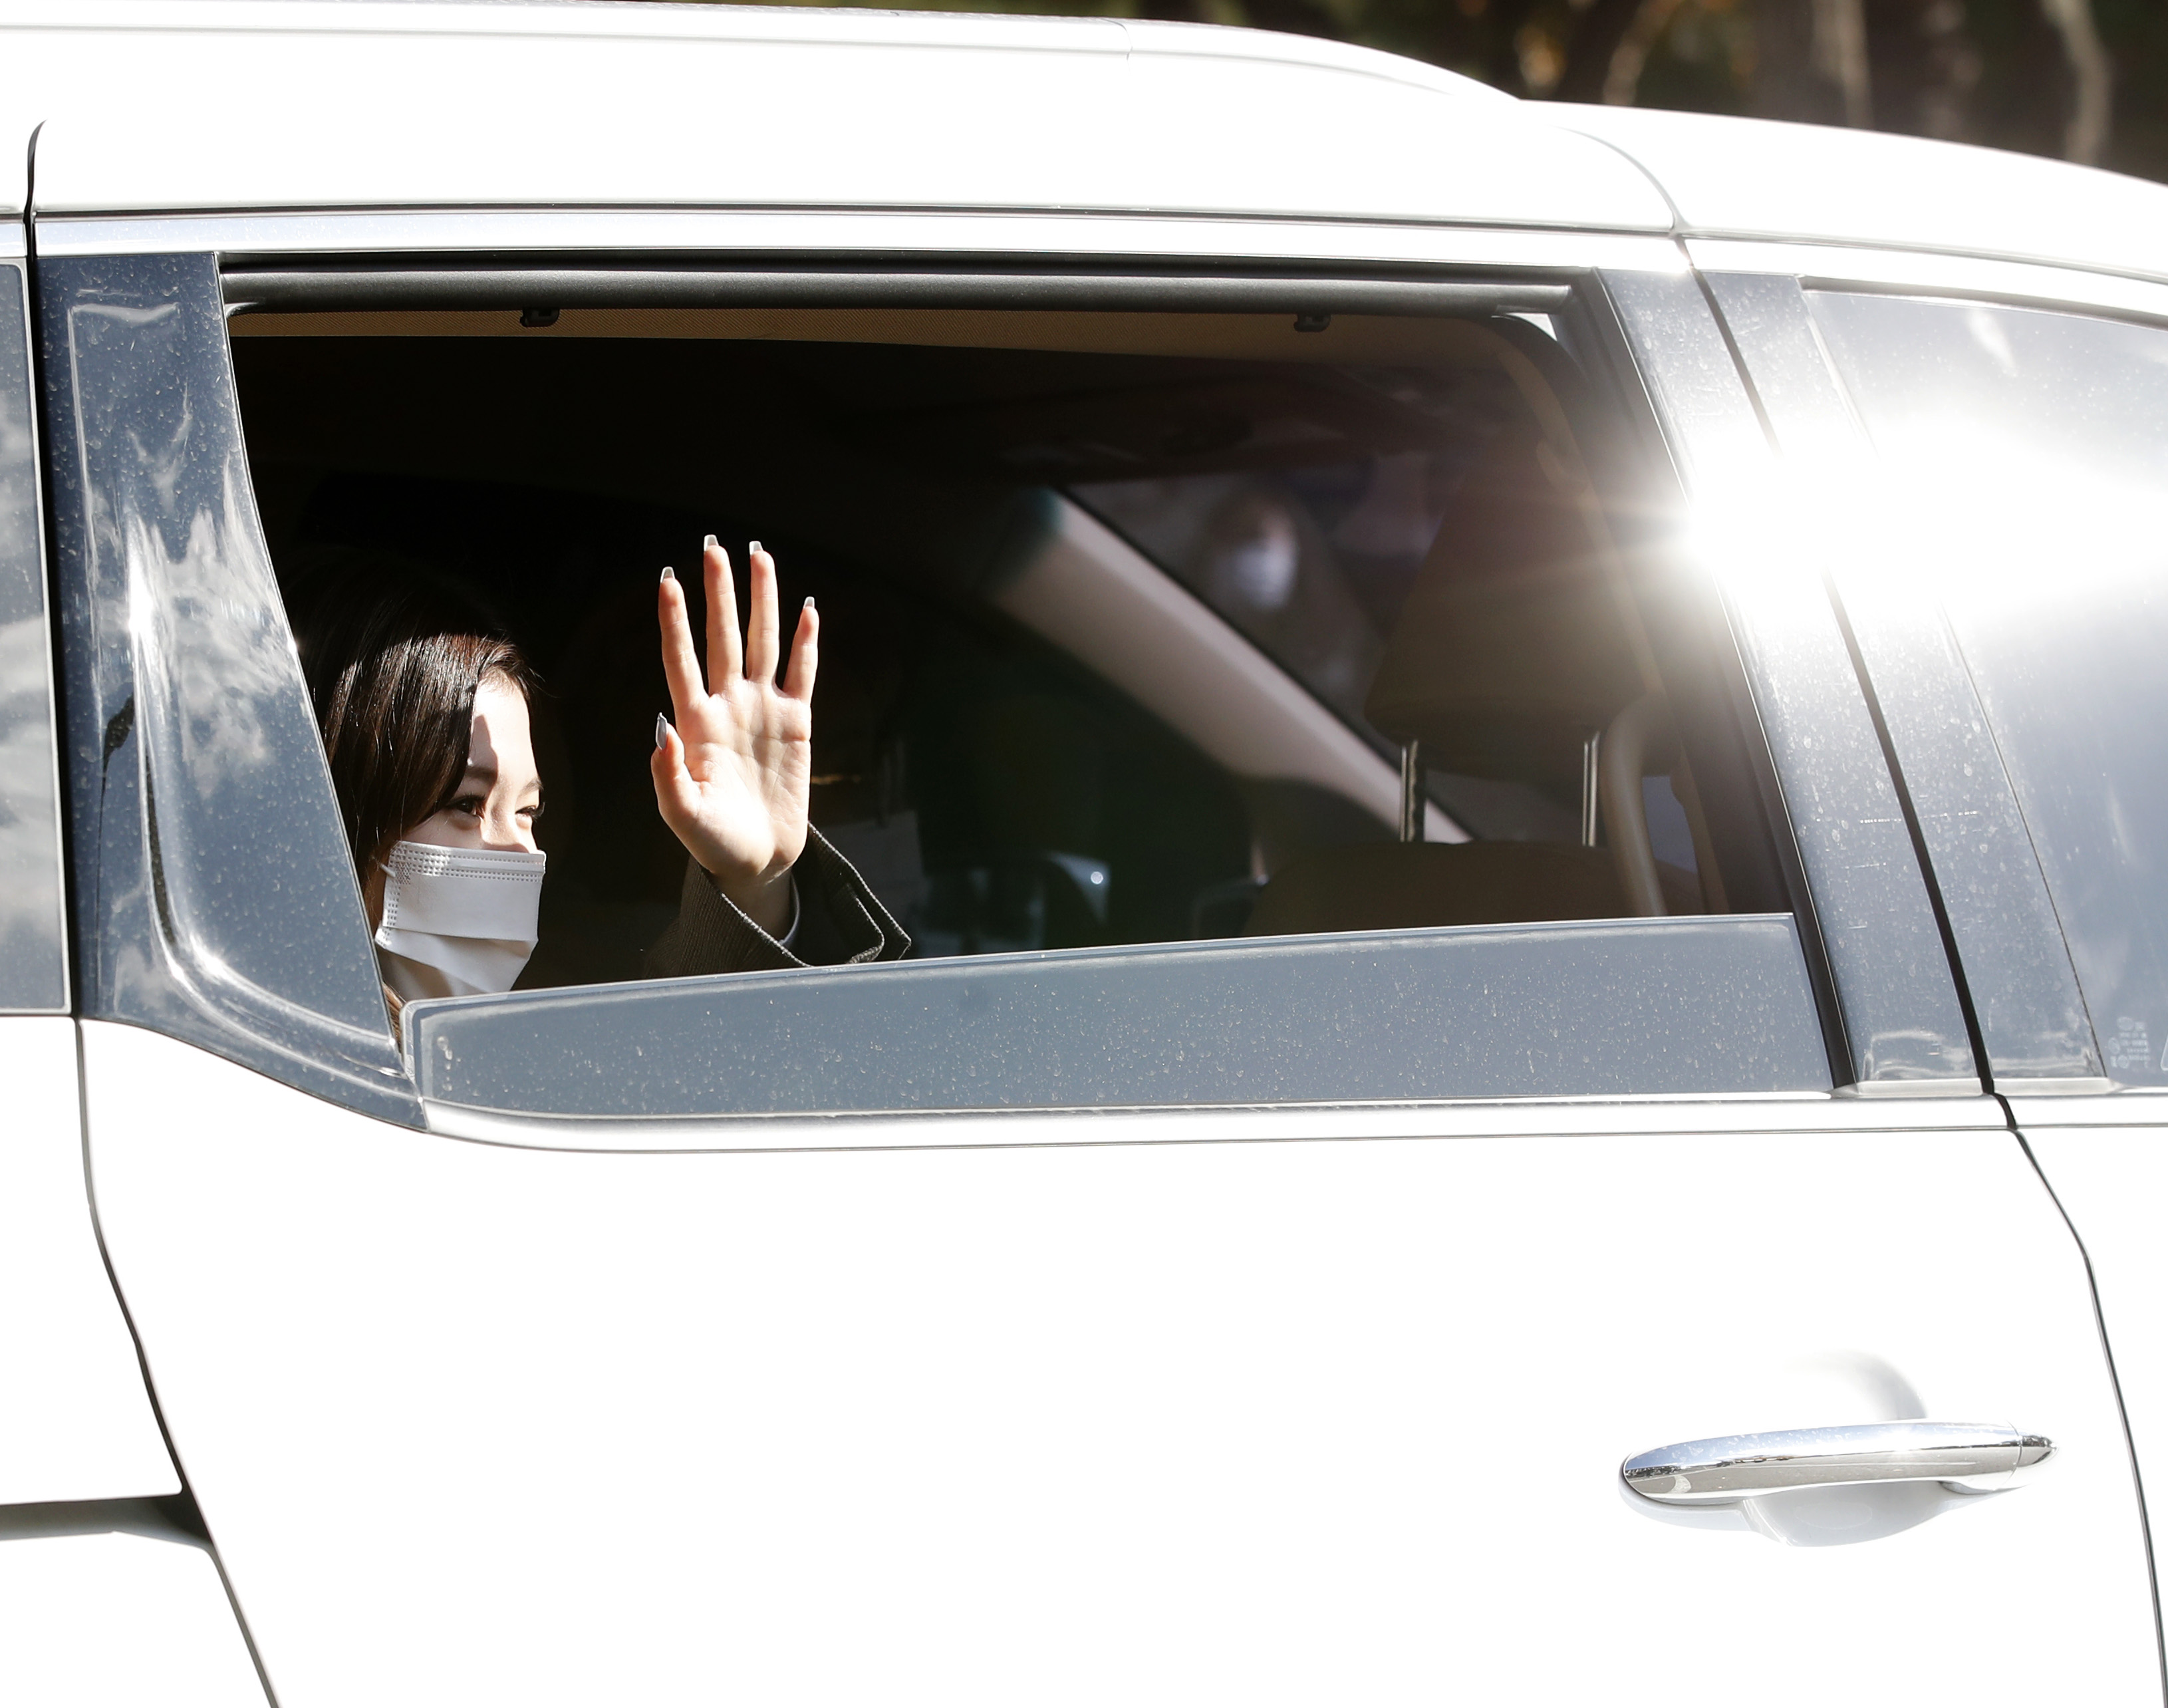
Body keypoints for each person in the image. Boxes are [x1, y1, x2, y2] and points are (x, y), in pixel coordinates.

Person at [289, 535, 907, 1030]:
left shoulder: (533, 1042)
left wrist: (757, 884)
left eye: (528, 811)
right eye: (467, 803)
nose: (522, 853)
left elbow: (675, 1072)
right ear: (334, 806)